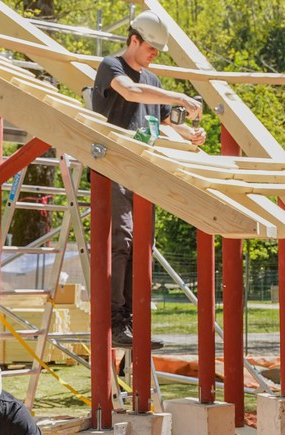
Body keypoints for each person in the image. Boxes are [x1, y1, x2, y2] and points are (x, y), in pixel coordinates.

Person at [91, 9, 206, 348]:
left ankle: (132, 322)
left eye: (158, 50)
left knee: (142, 246)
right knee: (123, 241)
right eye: (150, 48)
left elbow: (166, 120)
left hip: (143, 172)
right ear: (134, 40)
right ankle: (115, 323)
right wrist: (179, 96)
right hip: (112, 167)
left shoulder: (153, 81)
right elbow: (130, 93)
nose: (154, 54)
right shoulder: (112, 67)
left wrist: (190, 134)